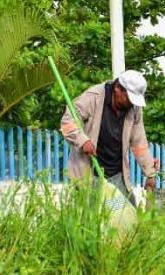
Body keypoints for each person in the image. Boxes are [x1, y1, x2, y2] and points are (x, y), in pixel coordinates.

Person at [60, 69, 156, 201]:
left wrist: (150, 173)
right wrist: (83, 141)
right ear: (117, 88)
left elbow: (139, 142)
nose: (132, 103)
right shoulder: (93, 97)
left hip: (116, 175)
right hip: (89, 172)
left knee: (127, 217)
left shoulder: (134, 108)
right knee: (90, 217)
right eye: (129, 98)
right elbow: (68, 120)